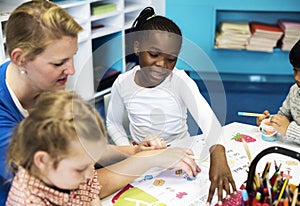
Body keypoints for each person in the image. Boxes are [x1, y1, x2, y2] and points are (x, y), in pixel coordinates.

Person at [0, 0, 200, 204]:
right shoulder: (5, 128)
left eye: (73, 58)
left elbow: (78, 146)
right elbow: (74, 190)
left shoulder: (40, 79)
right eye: (59, 63)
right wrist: (146, 160)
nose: (71, 71)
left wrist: (134, 151)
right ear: (20, 59)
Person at [106, 6, 237, 204]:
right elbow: (113, 123)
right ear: (137, 47)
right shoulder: (122, 83)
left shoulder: (180, 81)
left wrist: (218, 156)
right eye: (153, 54)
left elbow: (208, 120)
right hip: (143, 156)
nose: (161, 65)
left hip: (181, 153)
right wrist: (129, 152)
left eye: (171, 59)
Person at [6, 91, 106, 205]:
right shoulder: (28, 201)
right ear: (43, 160)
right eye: (80, 169)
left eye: (92, 164)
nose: (90, 175)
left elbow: (92, 196)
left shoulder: (81, 168)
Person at [256, 39, 300, 144]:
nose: (297, 77)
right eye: (295, 70)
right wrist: (270, 121)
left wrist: (289, 129)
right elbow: (283, 116)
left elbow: (287, 127)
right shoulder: (295, 90)